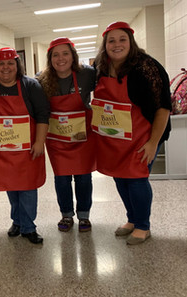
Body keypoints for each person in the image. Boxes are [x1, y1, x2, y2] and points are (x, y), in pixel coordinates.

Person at [93, 21, 171, 244]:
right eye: (111, 40)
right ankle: (132, 219)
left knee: (136, 179)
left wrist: (153, 142)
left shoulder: (147, 67)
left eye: (122, 39)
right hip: (116, 139)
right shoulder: (102, 66)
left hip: (144, 135)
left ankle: (143, 226)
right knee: (120, 178)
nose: (117, 44)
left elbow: (163, 108)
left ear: (131, 41)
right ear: (105, 44)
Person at [0, 47, 50, 244]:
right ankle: (17, 221)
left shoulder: (30, 86)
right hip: (2, 150)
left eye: (10, 63)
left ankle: (28, 227)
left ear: (17, 65)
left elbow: (43, 115)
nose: (6, 67)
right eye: (1, 63)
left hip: (27, 148)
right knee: (11, 185)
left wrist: (39, 142)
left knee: (27, 186)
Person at [37, 38, 96, 233]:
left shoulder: (87, 74)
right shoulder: (41, 79)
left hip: (82, 137)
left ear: (73, 56)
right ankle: (67, 215)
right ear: (50, 58)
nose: (60, 58)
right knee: (61, 179)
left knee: (83, 178)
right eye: (56, 54)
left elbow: (110, 86)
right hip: (57, 138)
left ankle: (84, 216)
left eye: (65, 53)